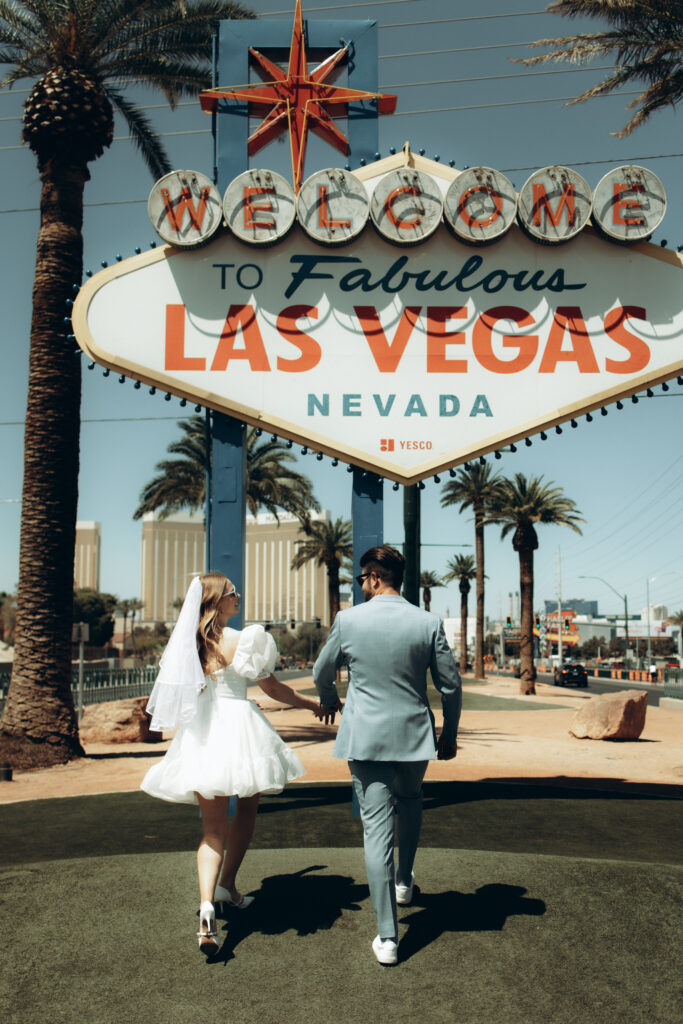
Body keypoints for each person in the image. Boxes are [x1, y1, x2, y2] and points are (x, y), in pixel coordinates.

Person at [141, 572, 324, 954]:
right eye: (231, 593)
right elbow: (273, 688)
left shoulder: (187, 645)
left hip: (203, 734)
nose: (238, 596)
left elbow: (192, 694)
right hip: (241, 731)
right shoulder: (246, 639)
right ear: (216, 601)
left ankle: (209, 901)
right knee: (245, 815)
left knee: (211, 830)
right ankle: (229, 885)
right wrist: (311, 704)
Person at [313, 545, 461, 966]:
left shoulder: (349, 620)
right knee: (411, 802)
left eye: (362, 579)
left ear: (375, 576)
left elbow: (322, 672)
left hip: (365, 739)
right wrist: (448, 734)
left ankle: (388, 937)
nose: (360, 585)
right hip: (414, 738)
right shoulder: (428, 621)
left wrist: (329, 699)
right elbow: (450, 685)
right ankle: (403, 881)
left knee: (375, 832)